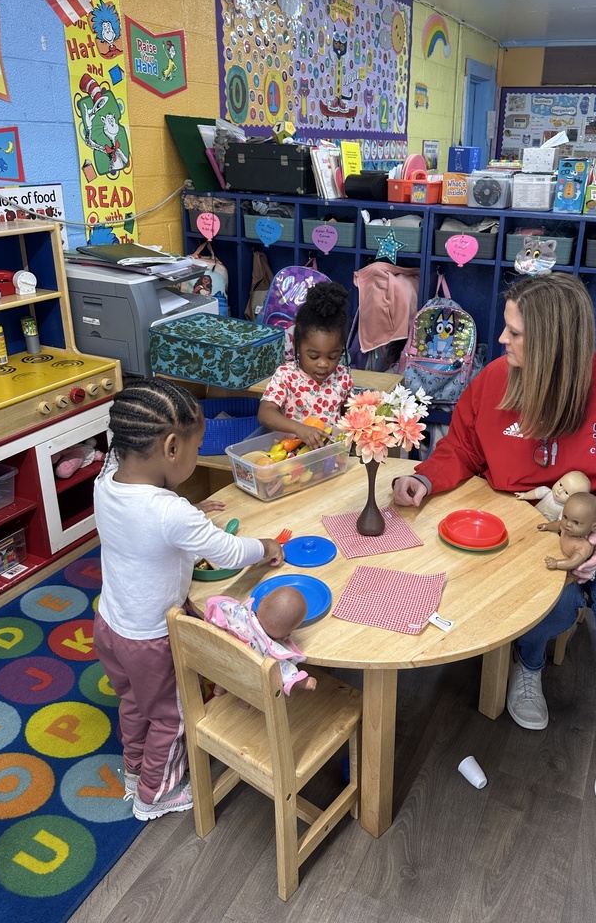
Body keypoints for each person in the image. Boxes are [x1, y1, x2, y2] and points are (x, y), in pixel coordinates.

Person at [393, 273, 596, 813]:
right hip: (518, 520)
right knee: (552, 597)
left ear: (553, 346)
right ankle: (530, 665)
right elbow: (462, 448)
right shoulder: (496, 380)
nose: (502, 341)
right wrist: (424, 478)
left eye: (514, 334)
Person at [93, 377, 284, 822]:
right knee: (171, 716)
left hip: (109, 625)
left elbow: (144, 520)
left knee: (133, 703)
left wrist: (190, 517)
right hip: (151, 638)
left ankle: (134, 770)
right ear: (173, 447)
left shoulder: (106, 480)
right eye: (198, 450)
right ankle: (152, 798)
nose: (198, 459)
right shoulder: (170, 512)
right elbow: (231, 552)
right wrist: (266, 546)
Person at [258, 281, 352, 450]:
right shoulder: (286, 375)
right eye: (313, 356)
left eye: (333, 356)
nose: (323, 364)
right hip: (291, 457)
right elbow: (265, 413)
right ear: (298, 346)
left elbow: (348, 413)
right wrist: (299, 428)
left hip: (332, 456)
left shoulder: (342, 376)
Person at [204, 586, 318, 695]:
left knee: (227, 665)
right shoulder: (270, 651)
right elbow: (285, 672)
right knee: (258, 680)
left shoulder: (237, 613)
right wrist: (304, 682)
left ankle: (219, 688)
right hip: (243, 677)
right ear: (287, 635)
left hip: (220, 661)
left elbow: (214, 603)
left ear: (262, 601)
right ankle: (245, 701)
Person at [540, 490, 596, 582]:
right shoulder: (567, 528)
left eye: (576, 522)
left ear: (594, 527)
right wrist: (547, 526)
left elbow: (573, 562)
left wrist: (557, 564)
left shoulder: (583, 546)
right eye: (565, 517)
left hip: (569, 571)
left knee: (562, 582)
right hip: (557, 554)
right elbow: (558, 524)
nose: (568, 524)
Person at [515, 468, 591, 521]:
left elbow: (559, 523)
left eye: (566, 493)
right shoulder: (547, 492)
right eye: (560, 484)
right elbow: (536, 493)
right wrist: (524, 495)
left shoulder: (565, 510)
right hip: (531, 515)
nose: (559, 491)